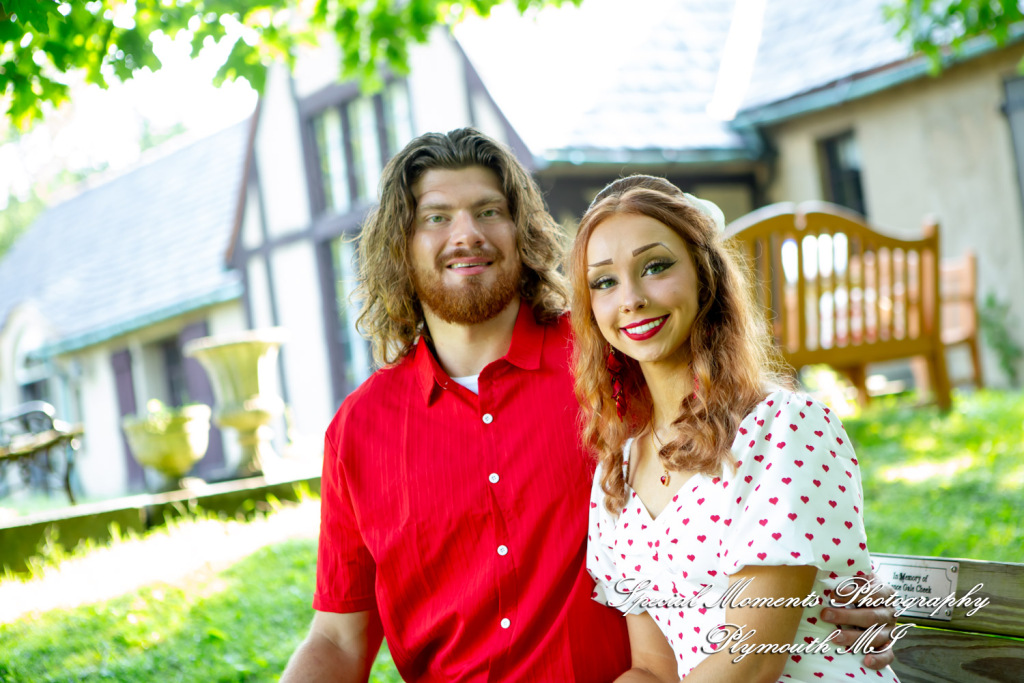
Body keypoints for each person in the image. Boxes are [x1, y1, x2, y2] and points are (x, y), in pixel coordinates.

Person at [281, 129, 898, 682]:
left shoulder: (615, 354)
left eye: (488, 211)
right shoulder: (359, 431)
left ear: (521, 229)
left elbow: (754, 461)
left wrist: (852, 587)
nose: (465, 234)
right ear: (400, 245)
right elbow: (337, 636)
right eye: (435, 217)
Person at [569, 175, 900, 681]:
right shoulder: (617, 472)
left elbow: (751, 662)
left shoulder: (783, 427)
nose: (630, 298)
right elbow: (652, 670)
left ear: (705, 275)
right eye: (604, 281)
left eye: (655, 266)